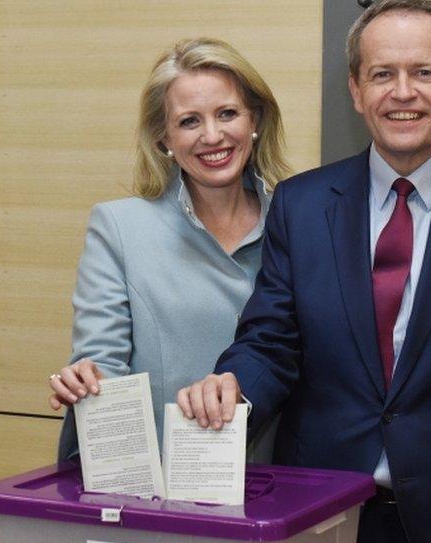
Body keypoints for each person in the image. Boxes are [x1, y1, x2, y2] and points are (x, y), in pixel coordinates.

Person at [175, 1, 431, 543]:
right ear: (356, 90)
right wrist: (235, 387)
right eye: (382, 74)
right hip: (322, 515)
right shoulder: (302, 205)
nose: (403, 93)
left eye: (424, 72)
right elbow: (270, 339)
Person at [48, 37, 290, 462]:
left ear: (255, 120)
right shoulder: (119, 227)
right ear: (164, 138)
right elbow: (103, 360)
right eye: (189, 121)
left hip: (282, 489)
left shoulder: (301, 222)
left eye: (227, 113)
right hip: (162, 489)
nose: (212, 136)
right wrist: (88, 379)